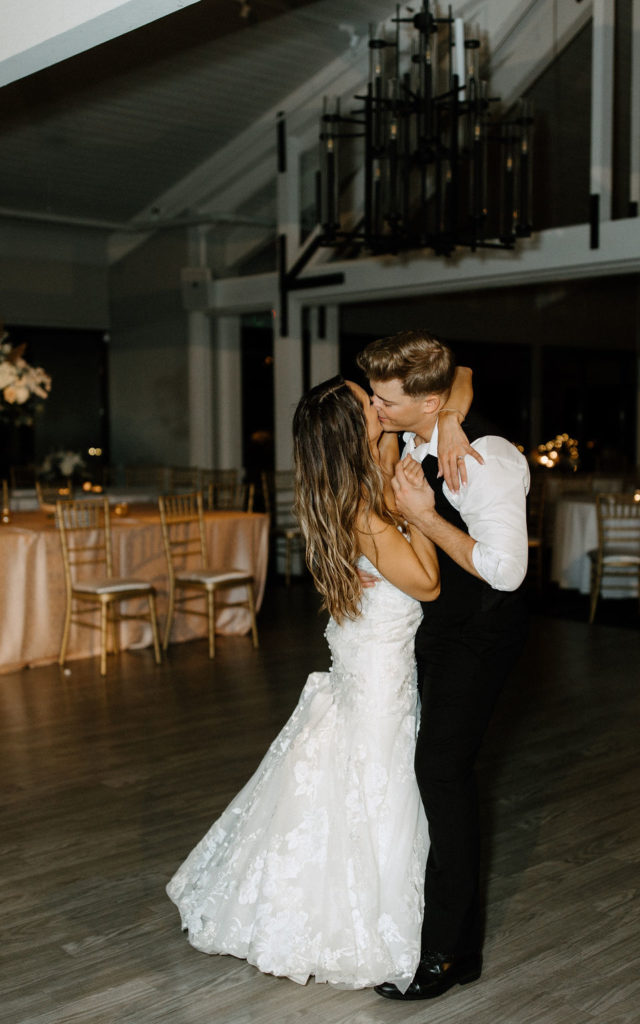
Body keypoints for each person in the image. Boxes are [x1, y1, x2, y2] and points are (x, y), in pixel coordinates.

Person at [166, 371, 471, 991]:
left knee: (363, 770)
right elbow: (429, 584)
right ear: (350, 427)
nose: (379, 405)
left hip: (369, 651)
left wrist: (454, 419)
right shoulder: (361, 505)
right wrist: (419, 514)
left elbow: (457, 378)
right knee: (381, 779)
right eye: (368, 403)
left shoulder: (353, 477)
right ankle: (374, 921)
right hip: (379, 664)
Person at [356, 330, 529, 1001]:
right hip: (441, 626)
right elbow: (462, 372)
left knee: (442, 772)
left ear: (427, 402)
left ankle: (451, 954)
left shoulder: (486, 459)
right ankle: (439, 934)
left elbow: (505, 572)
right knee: (431, 769)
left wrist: (424, 520)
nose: (375, 408)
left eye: (385, 400)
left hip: (482, 633)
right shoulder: (428, 428)